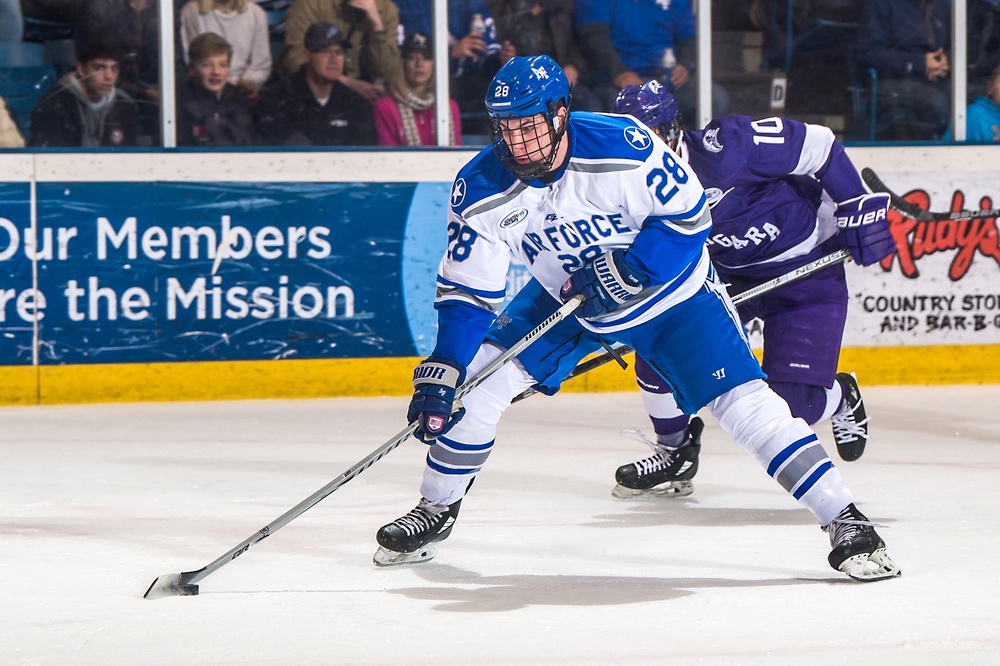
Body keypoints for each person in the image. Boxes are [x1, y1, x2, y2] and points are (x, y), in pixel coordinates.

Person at [373, 55, 900, 582]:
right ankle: (436, 508)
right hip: (566, 296)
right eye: (506, 129)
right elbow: (467, 292)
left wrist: (633, 269)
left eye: (529, 126)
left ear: (560, 114)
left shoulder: (624, 144)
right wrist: (445, 366)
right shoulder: (480, 187)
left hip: (675, 299)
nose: (518, 143)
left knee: (748, 405)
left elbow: (691, 215)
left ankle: (845, 519)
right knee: (477, 383)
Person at [607, 80, 896, 500]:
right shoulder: (624, 185)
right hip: (726, 275)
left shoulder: (729, 147)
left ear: (673, 129)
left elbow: (819, 144)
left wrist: (854, 204)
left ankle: (840, 395)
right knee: (658, 352)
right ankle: (675, 452)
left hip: (806, 269)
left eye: (649, 137)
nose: (639, 151)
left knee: (788, 410)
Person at [573, 0, 728, 119]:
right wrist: (619, 73)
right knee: (628, 110)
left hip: (668, 80)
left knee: (715, 98)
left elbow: (688, 37)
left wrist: (685, 65)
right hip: (616, 83)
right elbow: (593, 37)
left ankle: (685, 157)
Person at [394, 0, 515, 135]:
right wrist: (451, 55)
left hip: (474, 98)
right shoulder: (408, 5)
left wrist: (501, 60)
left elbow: (487, 53)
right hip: (425, 97)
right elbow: (402, 60)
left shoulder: (472, 4)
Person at [257, 22, 376, 145]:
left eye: (339, 52)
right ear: (307, 56)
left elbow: (364, 154)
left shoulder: (355, 103)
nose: (334, 60)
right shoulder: (278, 99)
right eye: (325, 51)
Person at [856, 0, 951, 140]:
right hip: (892, 81)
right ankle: (925, 156)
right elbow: (868, 53)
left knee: (973, 97)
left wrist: (944, 63)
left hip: (935, 80)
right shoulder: (882, 5)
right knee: (936, 103)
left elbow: (954, 45)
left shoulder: (940, 5)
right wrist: (919, 63)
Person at [487, 0, 601, 111]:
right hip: (520, 80)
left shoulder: (565, 5)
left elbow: (582, 40)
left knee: (589, 103)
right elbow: (498, 39)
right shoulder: (506, 6)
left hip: (559, 75)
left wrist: (574, 65)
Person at [279, 0, 400, 103]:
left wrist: (377, 27)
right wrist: (347, 83)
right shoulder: (311, 3)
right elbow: (295, 60)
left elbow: (387, 73)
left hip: (360, 98)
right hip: (308, 91)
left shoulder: (386, 9)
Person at [29, 35, 139, 147]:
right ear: (81, 69)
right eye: (100, 68)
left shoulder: (125, 107)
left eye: (114, 69)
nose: (109, 76)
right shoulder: (53, 106)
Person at [81, 0, 160, 141]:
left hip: (155, 86)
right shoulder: (101, 8)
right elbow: (101, 68)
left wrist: (171, 91)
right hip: (121, 87)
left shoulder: (164, 7)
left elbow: (175, 62)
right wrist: (144, 93)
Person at [372, 32, 462, 146]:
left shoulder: (448, 106)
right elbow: (388, 156)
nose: (419, 64)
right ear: (402, 63)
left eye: (427, 58)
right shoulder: (385, 107)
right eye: (412, 58)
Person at [176, 32, 259, 146]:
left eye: (223, 65)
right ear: (191, 69)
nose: (216, 72)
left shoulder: (239, 100)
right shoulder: (180, 102)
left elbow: (248, 143)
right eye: (207, 65)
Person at [180, 0, 273, 100]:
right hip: (203, 91)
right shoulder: (192, 11)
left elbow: (261, 65)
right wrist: (236, 82)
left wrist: (247, 83)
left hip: (244, 93)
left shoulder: (257, 14)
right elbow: (193, 59)